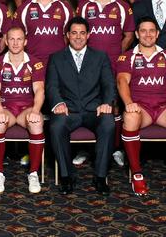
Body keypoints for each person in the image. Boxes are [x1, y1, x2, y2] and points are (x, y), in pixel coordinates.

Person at [116, 17, 166, 196]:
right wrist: (128, 103)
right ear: (136, 34)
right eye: (143, 31)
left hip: (163, 108)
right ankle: (136, 174)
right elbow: (122, 81)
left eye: (152, 30)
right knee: (130, 117)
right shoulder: (127, 56)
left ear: (158, 34)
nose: (148, 34)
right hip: (140, 107)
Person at [47, 17, 116, 195]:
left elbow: (109, 85)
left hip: (94, 110)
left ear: (88, 35)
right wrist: (58, 103)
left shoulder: (100, 57)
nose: (78, 37)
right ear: (67, 35)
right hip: (68, 110)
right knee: (56, 126)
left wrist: (107, 103)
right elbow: (51, 86)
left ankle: (100, 177)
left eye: (82, 33)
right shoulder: (56, 58)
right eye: (74, 33)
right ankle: (67, 176)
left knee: (108, 123)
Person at [76, 0, 134, 167]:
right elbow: (78, 35)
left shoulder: (122, 7)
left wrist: (118, 53)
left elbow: (128, 34)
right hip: (89, 66)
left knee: (114, 105)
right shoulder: (84, 7)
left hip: (113, 64)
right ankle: (86, 148)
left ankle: (115, 148)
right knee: (89, 104)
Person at [0, 27, 45, 194]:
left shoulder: (35, 62)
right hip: (6, 108)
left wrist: (35, 110)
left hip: (26, 109)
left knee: (37, 123)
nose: (15, 43)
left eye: (19, 39)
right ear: (6, 41)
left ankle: (33, 173)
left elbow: (40, 90)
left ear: (25, 41)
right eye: (11, 39)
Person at [13, 0, 73, 65]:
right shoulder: (23, 9)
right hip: (31, 63)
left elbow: (69, 37)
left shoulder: (65, 8)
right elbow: (16, 38)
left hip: (59, 63)